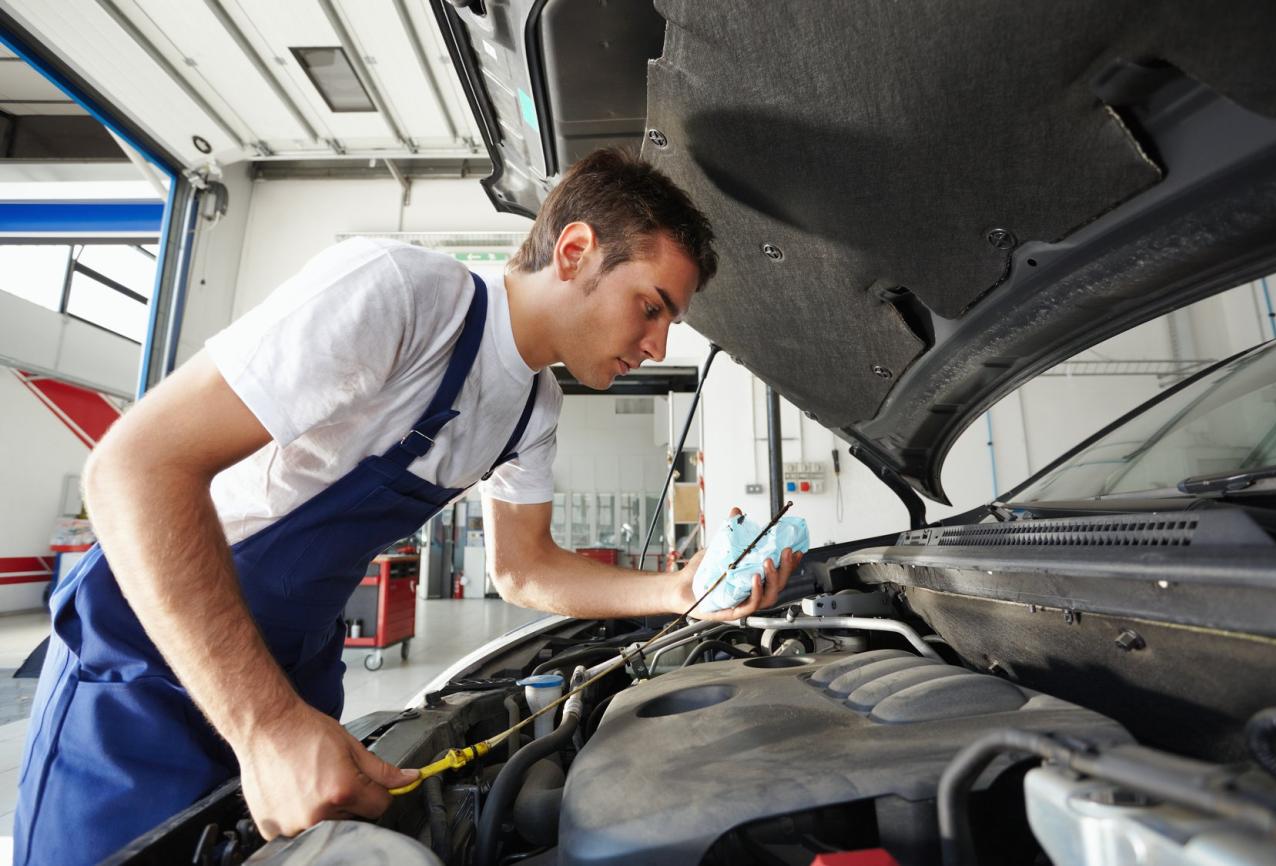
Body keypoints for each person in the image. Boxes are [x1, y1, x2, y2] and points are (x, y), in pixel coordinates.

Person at [13, 148, 801, 865]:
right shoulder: (400, 295)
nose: (658, 345)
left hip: (293, 665)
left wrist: (679, 593)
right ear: (574, 252)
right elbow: (133, 467)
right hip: (152, 660)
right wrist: (266, 728)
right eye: (651, 306)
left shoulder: (534, 408)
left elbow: (522, 569)